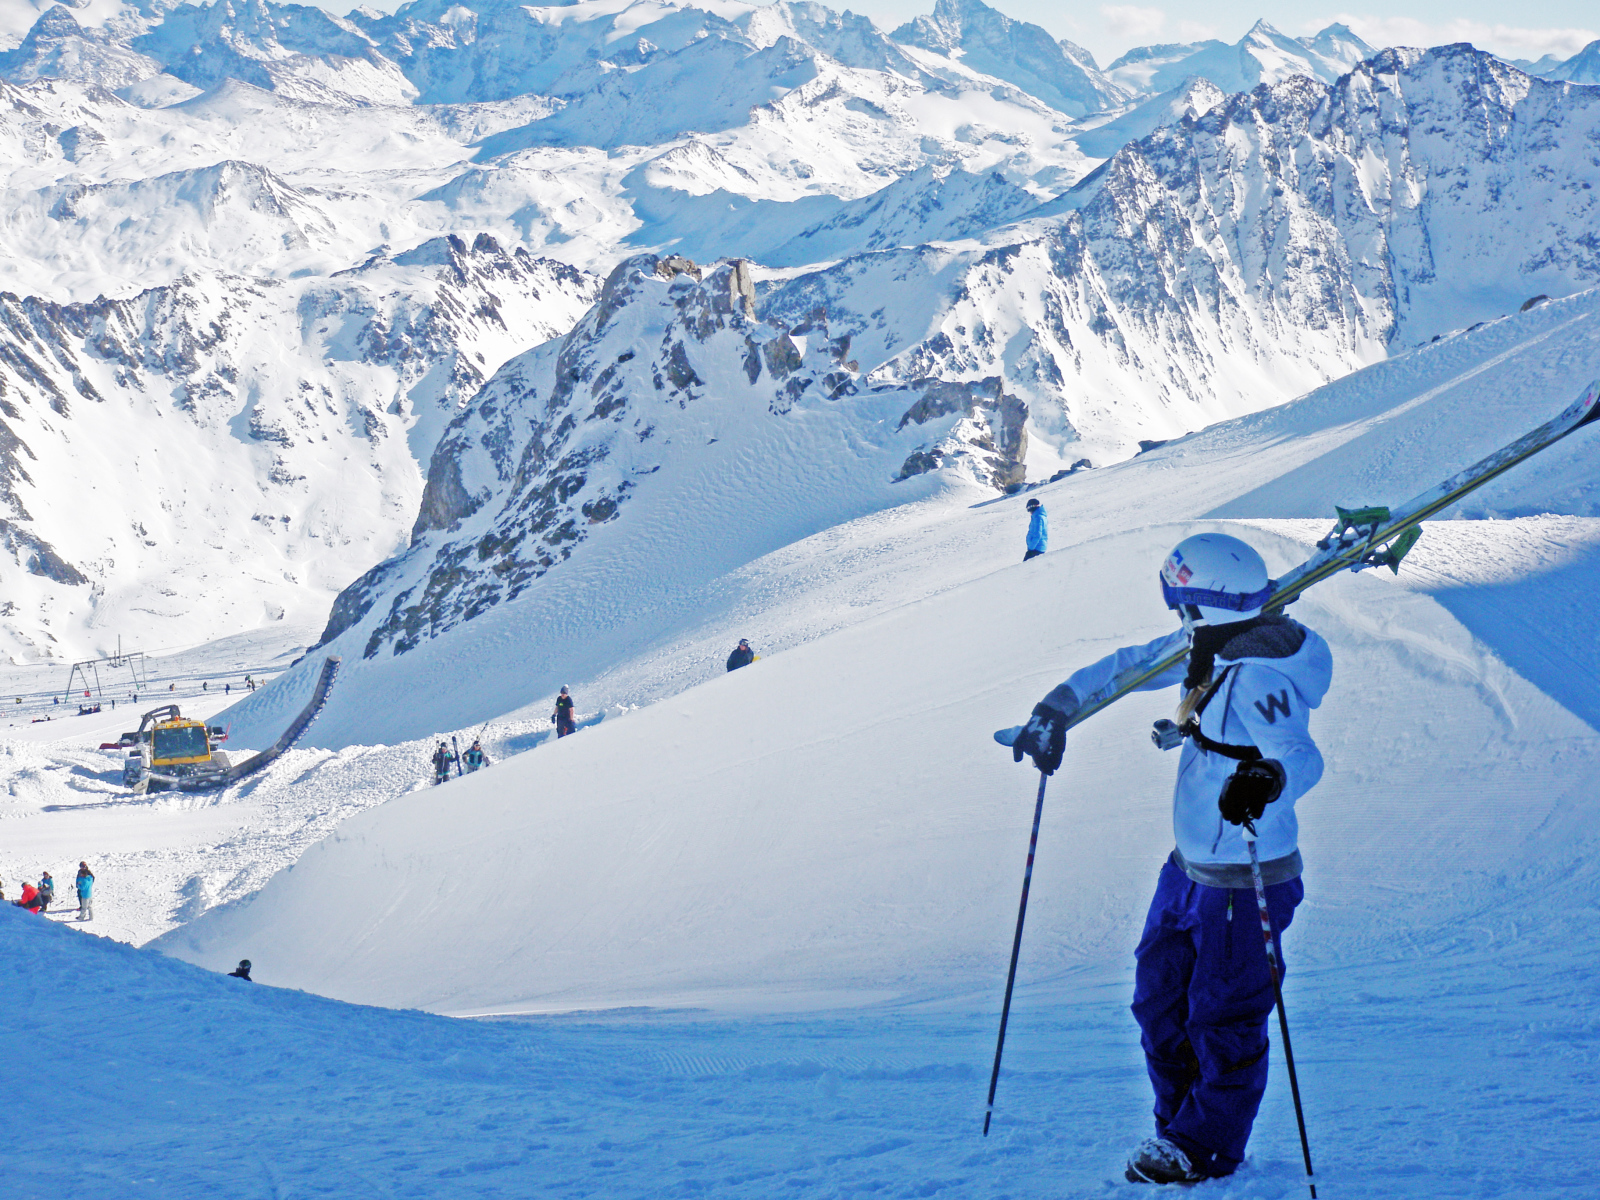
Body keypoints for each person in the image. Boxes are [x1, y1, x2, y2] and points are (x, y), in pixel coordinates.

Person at [1005, 532, 1330, 1184]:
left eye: (1181, 604)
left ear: (1202, 607)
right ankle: (1180, 1125)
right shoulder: (1210, 647)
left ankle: (1202, 1146)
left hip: (1246, 877)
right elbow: (1130, 664)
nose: (1175, 618)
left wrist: (1264, 780)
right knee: (1158, 1002)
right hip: (1187, 870)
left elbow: (1300, 754)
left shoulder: (1262, 674)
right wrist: (1056, 709)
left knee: (1223, 1018)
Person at [1024, 497, 1048, 561]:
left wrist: (1031, 548)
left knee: (1024, 568)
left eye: (1029, 510)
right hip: (1038, 547)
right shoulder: (1039, 516)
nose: (1029, 512)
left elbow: (1038, 534)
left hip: (1036, 548)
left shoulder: (1038, 518)